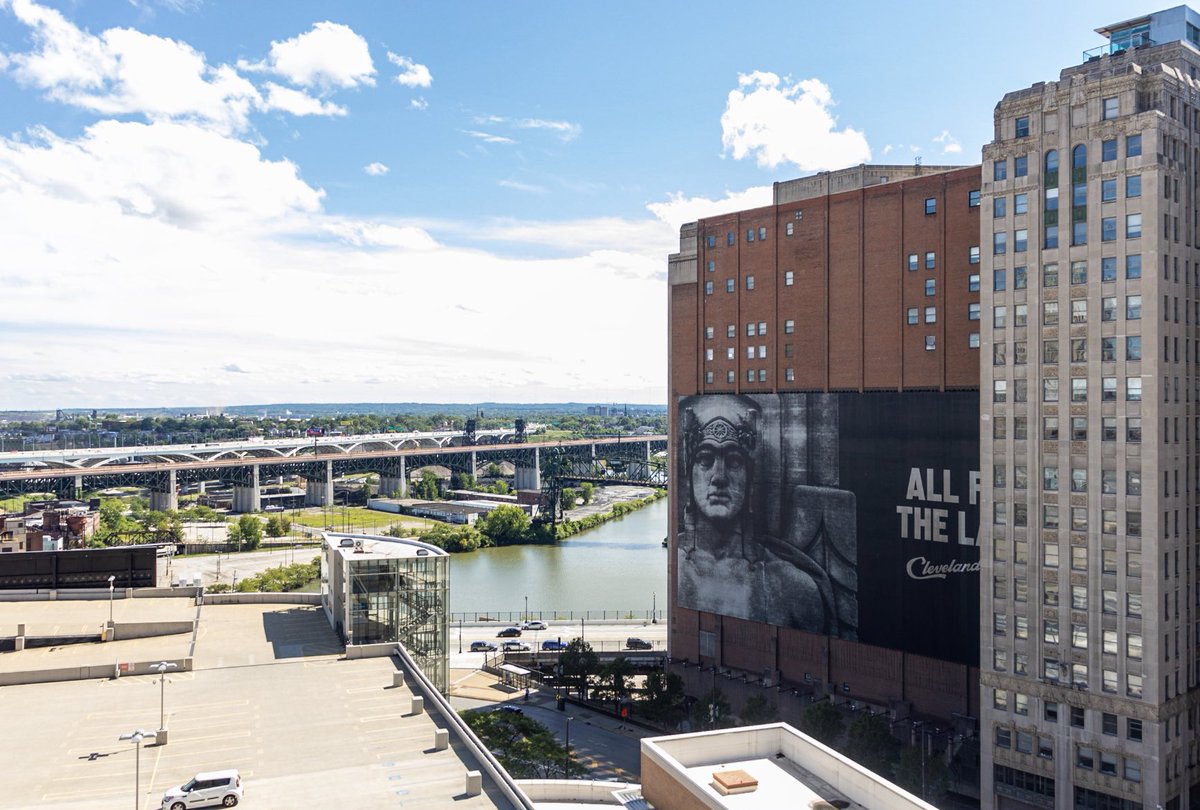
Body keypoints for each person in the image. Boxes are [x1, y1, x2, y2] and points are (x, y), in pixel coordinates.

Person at [677, 395, 856, 638]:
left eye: (734, 462)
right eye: (705, 460)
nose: (719, 477)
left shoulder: (795, 588)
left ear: (751, 480)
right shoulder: (673, 571)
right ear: (689, 477)